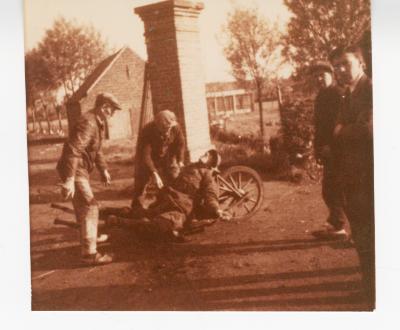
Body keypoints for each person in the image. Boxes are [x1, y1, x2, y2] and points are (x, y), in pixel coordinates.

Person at [329, 45, 374, 309]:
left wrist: (339, 131)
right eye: (336, 66)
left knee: (372, 238)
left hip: (369, 178)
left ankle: (377, 296)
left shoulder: (370, 89)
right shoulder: (347, 94)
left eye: (345, 63)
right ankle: (370, 291)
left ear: (361, 63)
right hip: (354, 179)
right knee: (363, 238)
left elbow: (367, 130)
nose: (340, 69)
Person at [56, 92, 122, 266]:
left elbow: (96, 149)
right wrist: (70, 179)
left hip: (80, 169)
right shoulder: (88, 122)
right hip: (75, 169)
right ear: (103, 107)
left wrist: (103, 169)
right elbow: (73, 150)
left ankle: (89, 237)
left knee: (82, 208)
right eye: (111, 110)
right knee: (90, 206)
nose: (113, 114)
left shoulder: (97, 122)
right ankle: (89, 254)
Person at [111, 150, 231, 242]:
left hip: (180, 208)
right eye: (208, 152)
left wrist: (216, 210)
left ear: (211, 164)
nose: (207, 154)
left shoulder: (208, 176)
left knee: (158, 225)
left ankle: (118, 221)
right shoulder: (190, 166)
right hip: (166, 199)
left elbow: (211, 195)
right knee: (142, 213)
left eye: (210, 156)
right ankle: (106, 212)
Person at [310, 61, 347, 239]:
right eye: (315, 76)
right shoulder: (322, 95)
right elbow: (319, 126)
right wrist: (318, 149)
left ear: (331, 74)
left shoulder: (336, 94)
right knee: (329, 188)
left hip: (337, 149)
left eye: (322, 75)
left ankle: (338, 226)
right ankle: (334, 223)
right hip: (326, 150)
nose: (319, 79)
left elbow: (338, 124)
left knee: (335, 189)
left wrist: (330, 146)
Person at [131, 110, 185, 214]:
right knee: (141, 184)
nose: (167, 131)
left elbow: (180, 144)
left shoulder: (175, 127)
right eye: (164, 129)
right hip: (145, 159)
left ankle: (163, 205)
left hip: (166, 157)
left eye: (169, 128)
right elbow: (145, 155)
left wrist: (180, 160)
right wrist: (154, 173)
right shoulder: (147, 130)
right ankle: (136, 210)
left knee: (172, 178)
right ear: (157, 125)